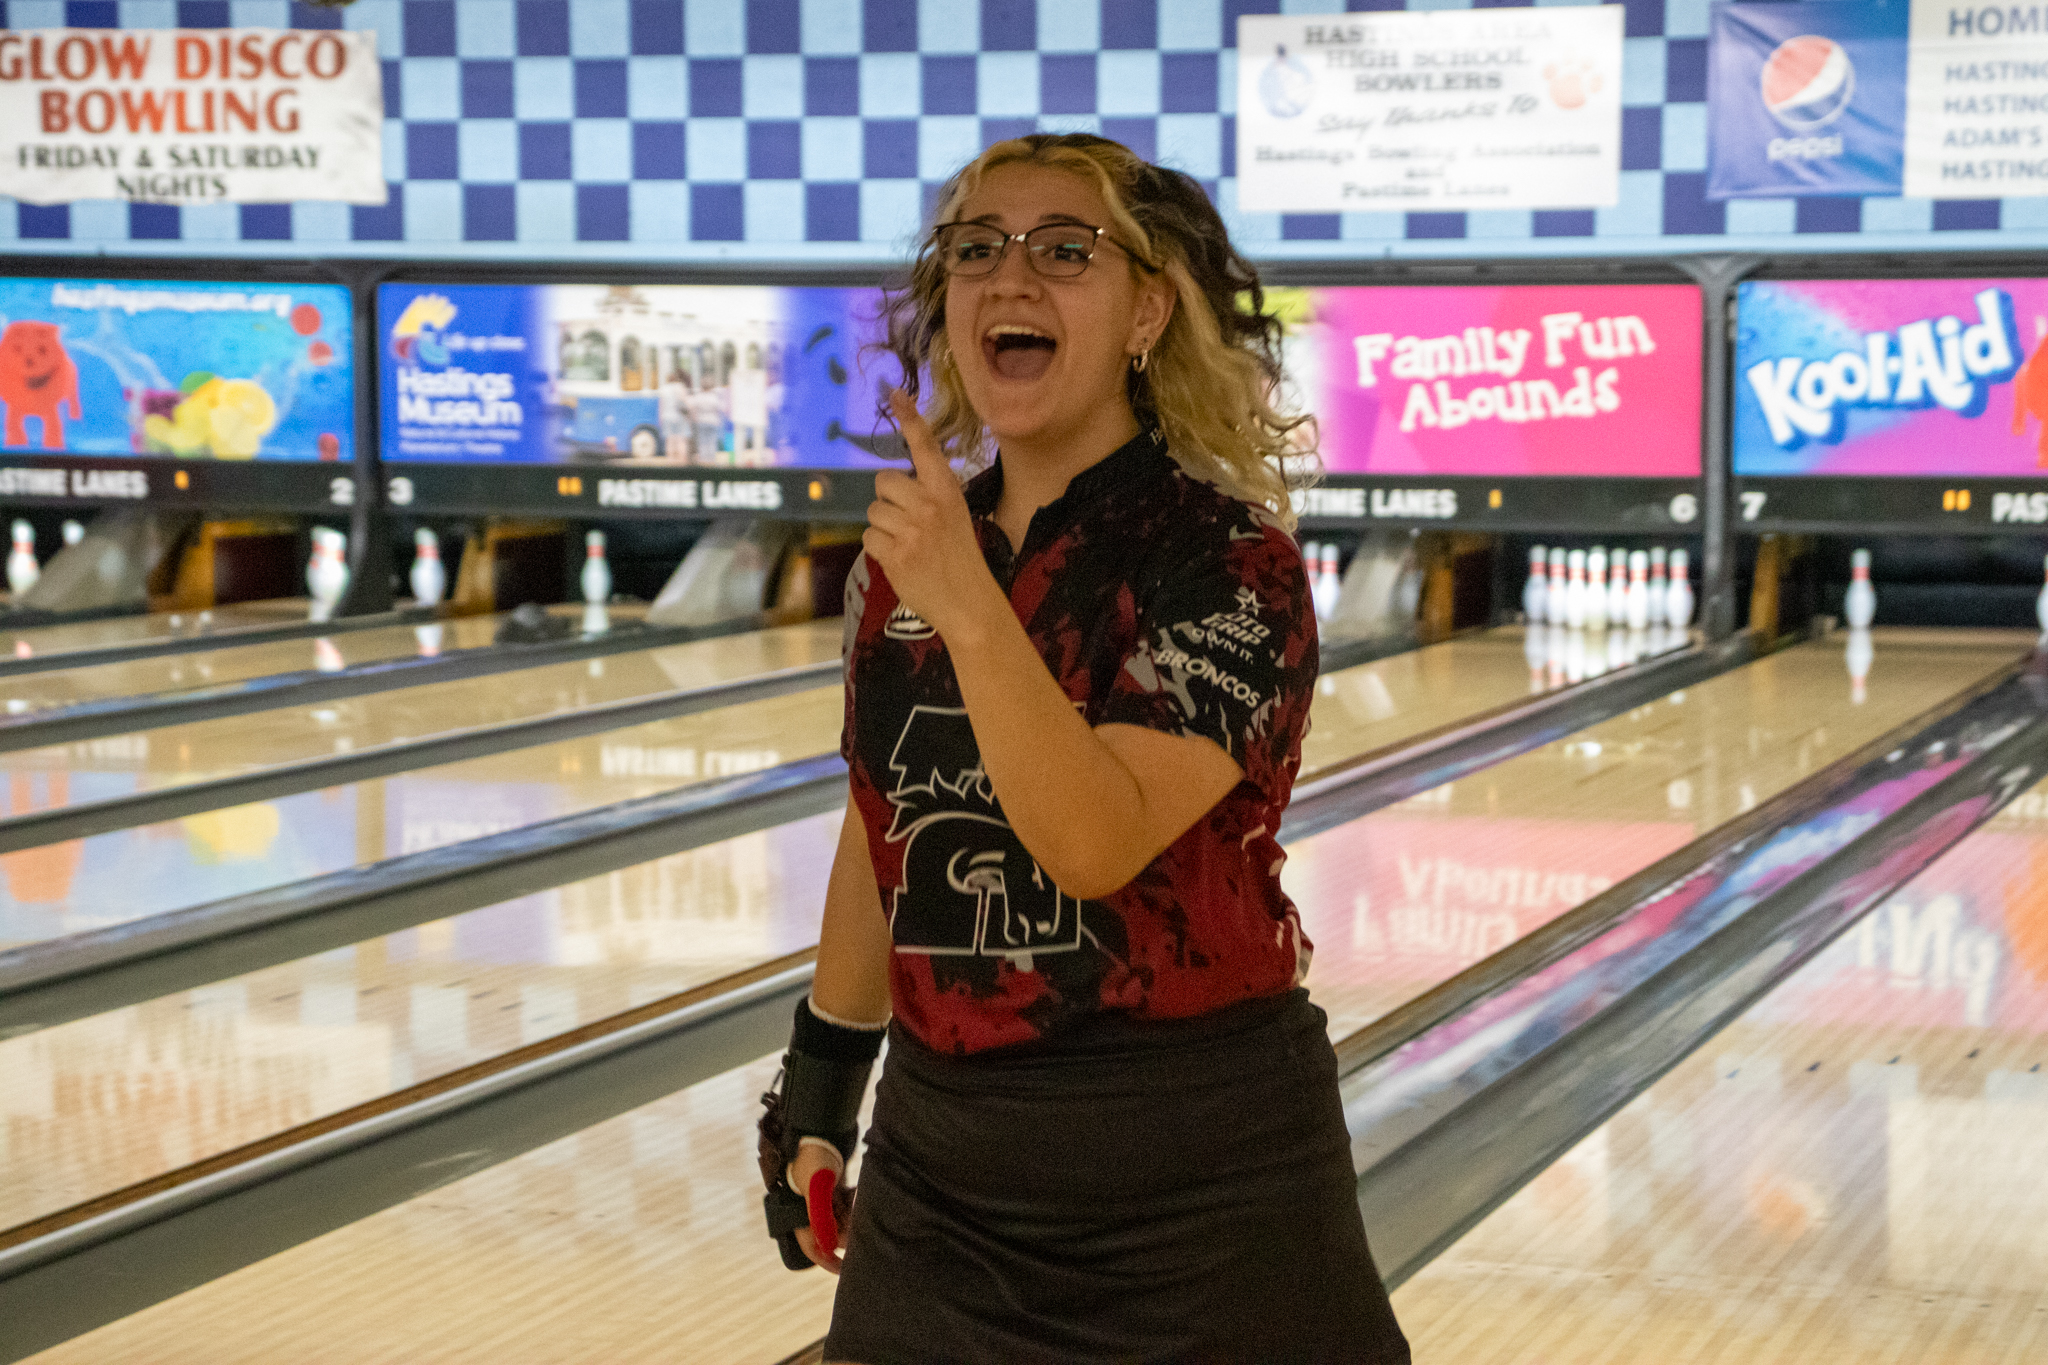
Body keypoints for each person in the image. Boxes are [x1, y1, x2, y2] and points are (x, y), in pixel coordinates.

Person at [757, 134, 1411, 1365]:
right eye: (974, 251)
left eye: (1066, 251)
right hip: (947, 1174)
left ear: (1146, 311)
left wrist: (961, 598)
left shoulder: (1226, 564)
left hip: (1203, 1187)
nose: (1011, 279)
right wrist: (822, 1080)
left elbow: (1091, 841)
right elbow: (883, 815)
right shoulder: (907, 554)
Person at [657, 369, 693, 462]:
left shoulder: (663, 389)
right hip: (680, 417)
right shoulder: (680, 387)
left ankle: (671, 461)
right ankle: (681, 461)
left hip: (667, 417)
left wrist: (660, 418)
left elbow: (661, 406)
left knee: (670, 440)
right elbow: (685, 402)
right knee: (681, 439)